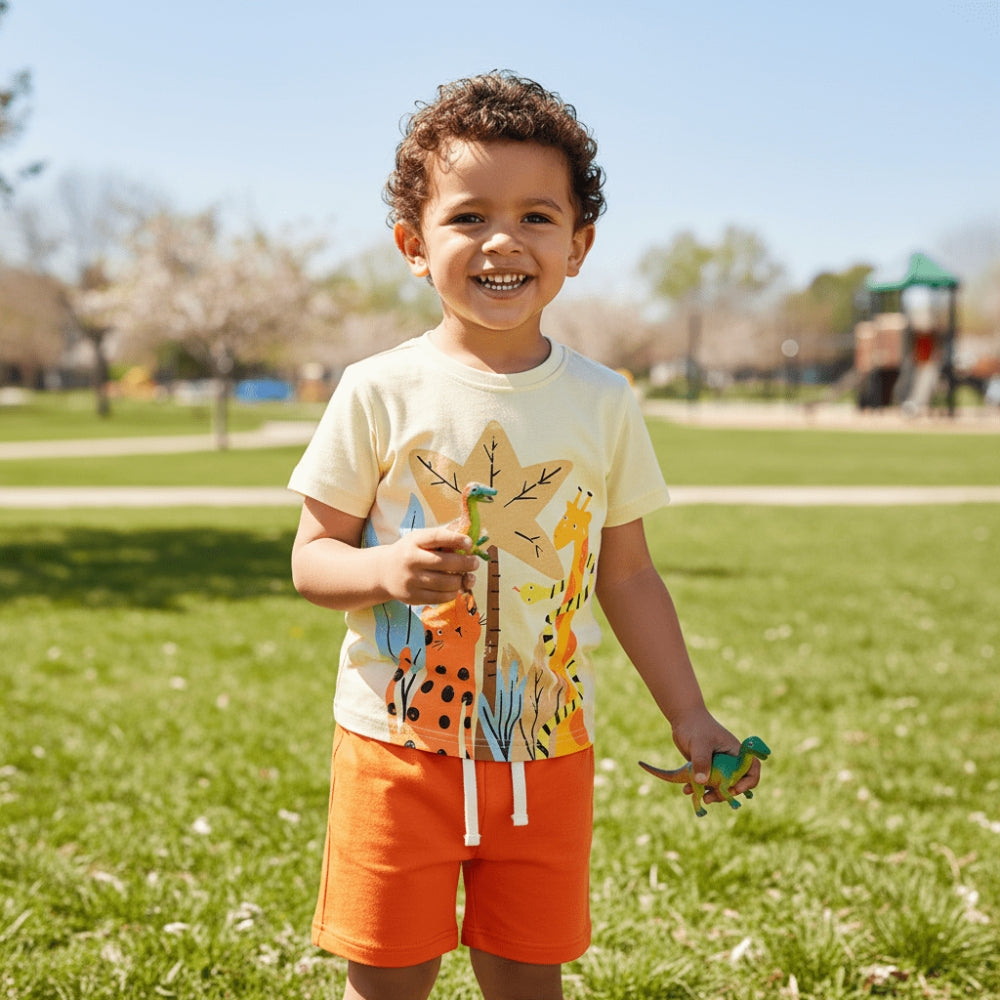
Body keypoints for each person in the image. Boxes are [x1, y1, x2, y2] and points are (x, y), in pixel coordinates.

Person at [289, 71, 760, 1000]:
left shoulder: (603, 401)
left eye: (537, 217)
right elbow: (312, 557)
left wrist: (690, 713)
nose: (503, 240)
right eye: (468, 217)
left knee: (526, 974)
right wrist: (384, 568)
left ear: (579, 246)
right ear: (413, 246)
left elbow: (627, 576)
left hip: (545, 757)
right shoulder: (378, 389)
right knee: (387, 977)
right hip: (395, 751)